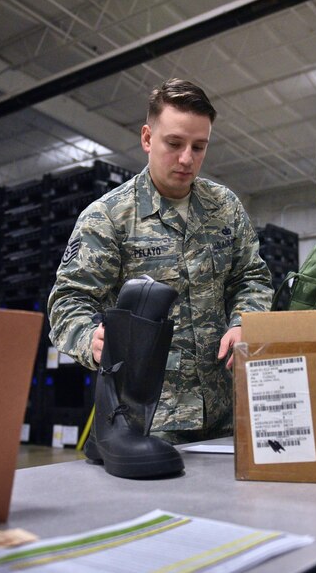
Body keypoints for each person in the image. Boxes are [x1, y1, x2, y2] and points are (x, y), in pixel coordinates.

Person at [48, 78, 274, 445]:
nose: (187, 158)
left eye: (199, 147)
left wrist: (245, 322)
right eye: (174, 143)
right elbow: (68, 301)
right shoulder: (108, 217)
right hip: (147, 420)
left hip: (227, 410)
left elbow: (252, 278)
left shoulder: (225, 207)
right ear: (147, 138)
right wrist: (91, 339)